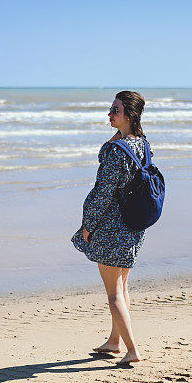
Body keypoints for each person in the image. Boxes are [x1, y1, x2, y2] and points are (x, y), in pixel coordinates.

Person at [71, 90, 149, 366]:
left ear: (128, 115)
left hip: (112, 226)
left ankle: (132, 350)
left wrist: (87, 225)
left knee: (114, 294)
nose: (109, 113)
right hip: (133, 224)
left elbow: (102, 192)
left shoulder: (115, 151)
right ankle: (115, 341)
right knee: (122, 285)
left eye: (115, 110)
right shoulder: (142, 143)